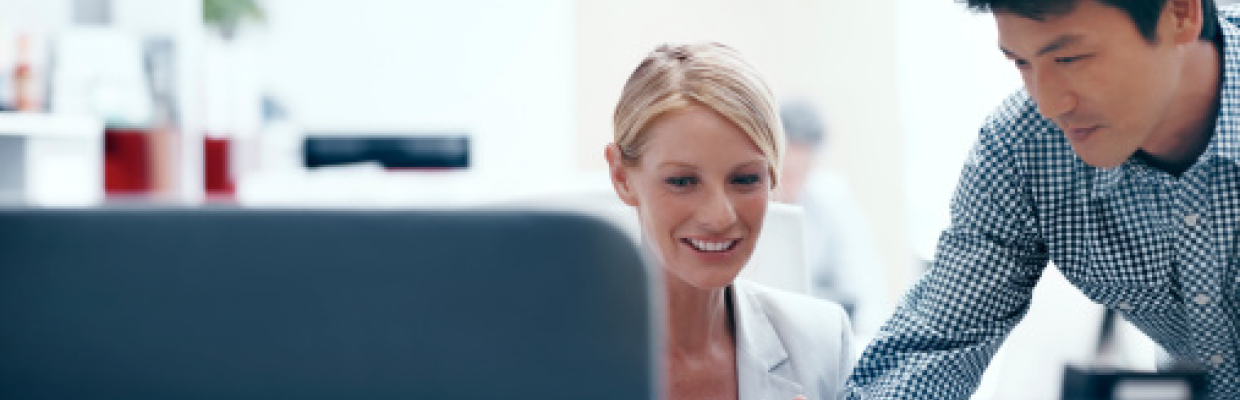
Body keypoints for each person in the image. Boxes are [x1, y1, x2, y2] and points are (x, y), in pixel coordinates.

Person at [846, 0, 1240, 398]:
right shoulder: (1023, 149)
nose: (1050, 106)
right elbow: (939, 339)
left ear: (1180, 14)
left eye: (1071, 58)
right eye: (1021, 63)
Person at [606, 42, 853, 400]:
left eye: (745, 179)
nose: (719, 217)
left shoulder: (822, 344)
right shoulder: (551, 355)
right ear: (622, 177)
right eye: (682, 182)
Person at [777, 100, 891, 335]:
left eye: (803, 170)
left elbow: (865, 289)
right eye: (786, 171)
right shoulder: (747, 203)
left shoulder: (831, 200)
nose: (793, 184)